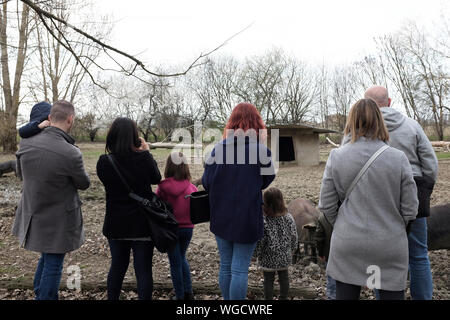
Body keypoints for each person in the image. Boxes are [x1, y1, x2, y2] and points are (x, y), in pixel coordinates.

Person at [319, 99, 418, 300]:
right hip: (389, 244)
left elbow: (326, 205)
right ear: (380, 121)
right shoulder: (399, 158)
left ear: (351, 121)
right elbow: (410, 209)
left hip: (348, 243)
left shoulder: (336, 156)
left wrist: (344, 224)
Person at [363, 86, 439, 300]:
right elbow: (431, 165)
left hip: (376, 196)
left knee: (378, 255)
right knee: (418, 255)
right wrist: (424, 191)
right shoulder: (412, 125)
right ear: (389, 101)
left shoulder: (360, 128)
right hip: (413, 193)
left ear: (365, 103)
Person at [12, 100, 90, 300]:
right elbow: (84, 183)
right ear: (70, 119)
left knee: (47, 257)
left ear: (49, 118)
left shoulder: (26, 143)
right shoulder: (71, 152)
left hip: (34, 213)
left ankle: (40, 293)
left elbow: (21, 174)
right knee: (54, 262)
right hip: (59, 220)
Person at [202, 102, 276, 300]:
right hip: (248, 217)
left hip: (220, 215)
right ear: (256, 123)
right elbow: (267, 180)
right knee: (240, 270)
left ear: (231, 123)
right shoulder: (261, 151)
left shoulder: (216, 150)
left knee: (226, 266)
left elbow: (206, 182)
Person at [96, 117, 161, 300]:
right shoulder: (143, 159)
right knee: (143, 270)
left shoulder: (104, 162)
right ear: (135, 137)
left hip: (116, 224)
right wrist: (146, 153)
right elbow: (156, 178)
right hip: (142, 224)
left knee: (117, 266)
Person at [156, 152, 198, 300]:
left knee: (175, 262)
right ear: (185, 167)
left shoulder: (163, 187)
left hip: (171, 229)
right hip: (188, 229)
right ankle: (189, 292)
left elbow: (157, 205)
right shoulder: (192, 188)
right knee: (181, 258)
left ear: (169, 167)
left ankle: (180, 296)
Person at [254, 187, 298, 300]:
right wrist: (292, 249)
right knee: (284, 278)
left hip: (268, 257)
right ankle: (283, 297)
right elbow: (294, 236)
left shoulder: (264, 220)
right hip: (284, 255)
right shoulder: (289, 218)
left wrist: (255, 254)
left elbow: (261, 241)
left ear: (266, 203)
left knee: (268, 280)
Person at [313, 211, 335, 300]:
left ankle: (332, 297)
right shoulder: (350, 213)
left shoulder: (323, 217)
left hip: (330, 254)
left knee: (331, 279)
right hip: (347, 255)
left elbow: (319, 238)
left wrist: (321, 253)